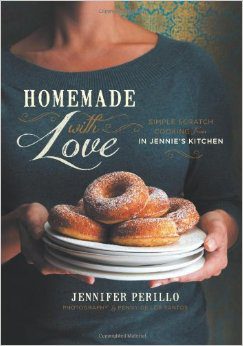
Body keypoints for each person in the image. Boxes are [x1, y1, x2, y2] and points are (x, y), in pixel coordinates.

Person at [2, 1, 240, 345]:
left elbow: (221, 200)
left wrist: (222, 233)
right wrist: (17, 227)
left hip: (169, 335)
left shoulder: (187, 69)